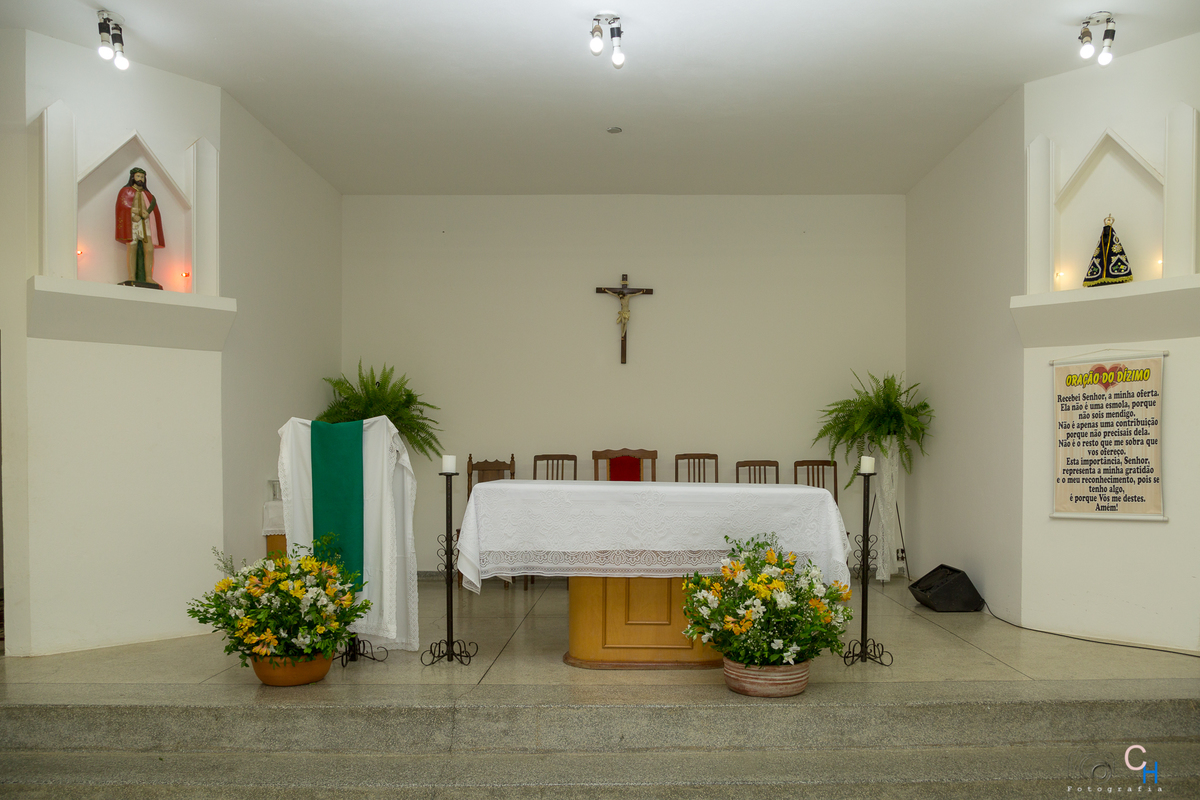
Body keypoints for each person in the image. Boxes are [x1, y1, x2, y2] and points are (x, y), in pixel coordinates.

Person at [115, 167, 164, 285]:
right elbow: (122, 206)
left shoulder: (148, 195)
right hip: (133, 224)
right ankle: (131, 276)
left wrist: (147, 213)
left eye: (142, 177)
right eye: (138, 176)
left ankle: (148, 277)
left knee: (149, 249)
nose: (140, 179)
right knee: (132, 247)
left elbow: (154, 211)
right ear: (133, 177)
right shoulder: (125, 191)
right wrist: (135, 213)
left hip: (145, 223)